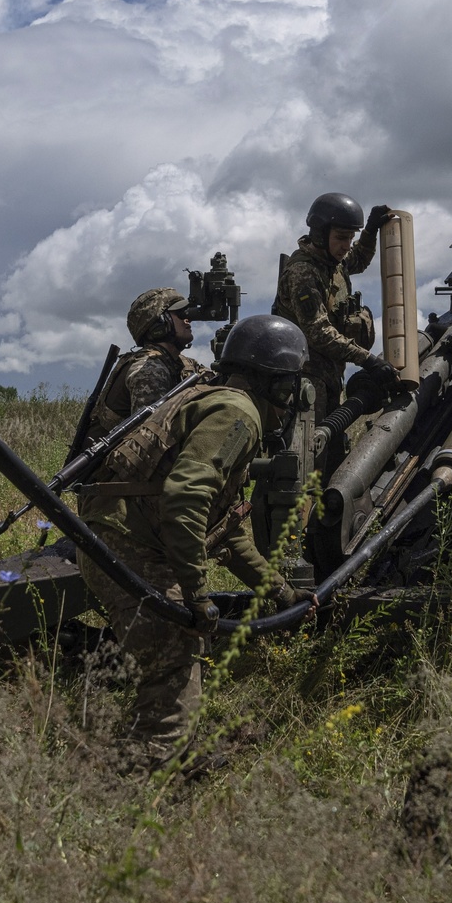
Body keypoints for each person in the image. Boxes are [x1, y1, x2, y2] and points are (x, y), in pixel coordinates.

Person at [76, 314, 314, 772]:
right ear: (276, 384)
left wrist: (281, 592)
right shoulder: (238, 414)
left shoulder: (212, 399)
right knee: (174, 642)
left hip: (113, 535)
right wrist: (195, 593)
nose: (289, 405)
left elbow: (228, 531)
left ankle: (174, 752)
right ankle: (151, 772)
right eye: (288, 390)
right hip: (131, 543)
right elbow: (187, 496)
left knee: (174, 650)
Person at [272, 192, 400, 423]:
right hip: (305, 378)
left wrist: (370, 230)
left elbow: (358, 259)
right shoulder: (303, 273)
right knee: (313, 449)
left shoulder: (332, 264)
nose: (346, 246)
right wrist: (368, 360)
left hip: (328, 374)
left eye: (350, 238)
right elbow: (318, 332)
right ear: (321, 233)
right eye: (341, 237)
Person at [86, 287, 209, 441]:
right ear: (159, 324)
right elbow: (149, 440)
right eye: (180, 314)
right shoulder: (149, 370)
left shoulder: (181, 363)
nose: (188, 319)